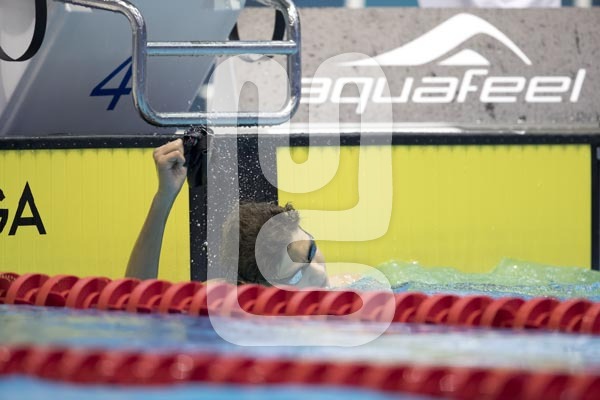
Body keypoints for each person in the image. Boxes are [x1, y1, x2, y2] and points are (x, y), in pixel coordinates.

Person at [126, 139, 329, 288]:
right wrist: (164, 197)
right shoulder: (226, 305)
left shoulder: (341, 288)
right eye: (296, 275)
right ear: (257, 288)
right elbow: (137, 305)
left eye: (311, 250)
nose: (319, 273)